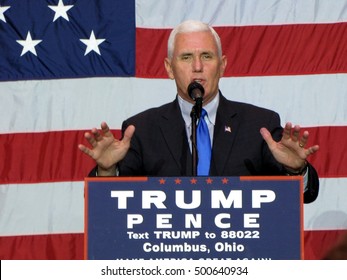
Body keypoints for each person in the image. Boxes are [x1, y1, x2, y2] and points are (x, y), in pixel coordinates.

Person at [79, 20, 320, 203]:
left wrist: (296, 170)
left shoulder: (259, 125)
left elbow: (302, 197)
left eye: (206, 56)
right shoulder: (143, 129)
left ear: (222, 65)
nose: (197, 67)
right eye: (186, 57)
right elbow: (106, 203)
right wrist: (107, 171)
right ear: (169, 68)